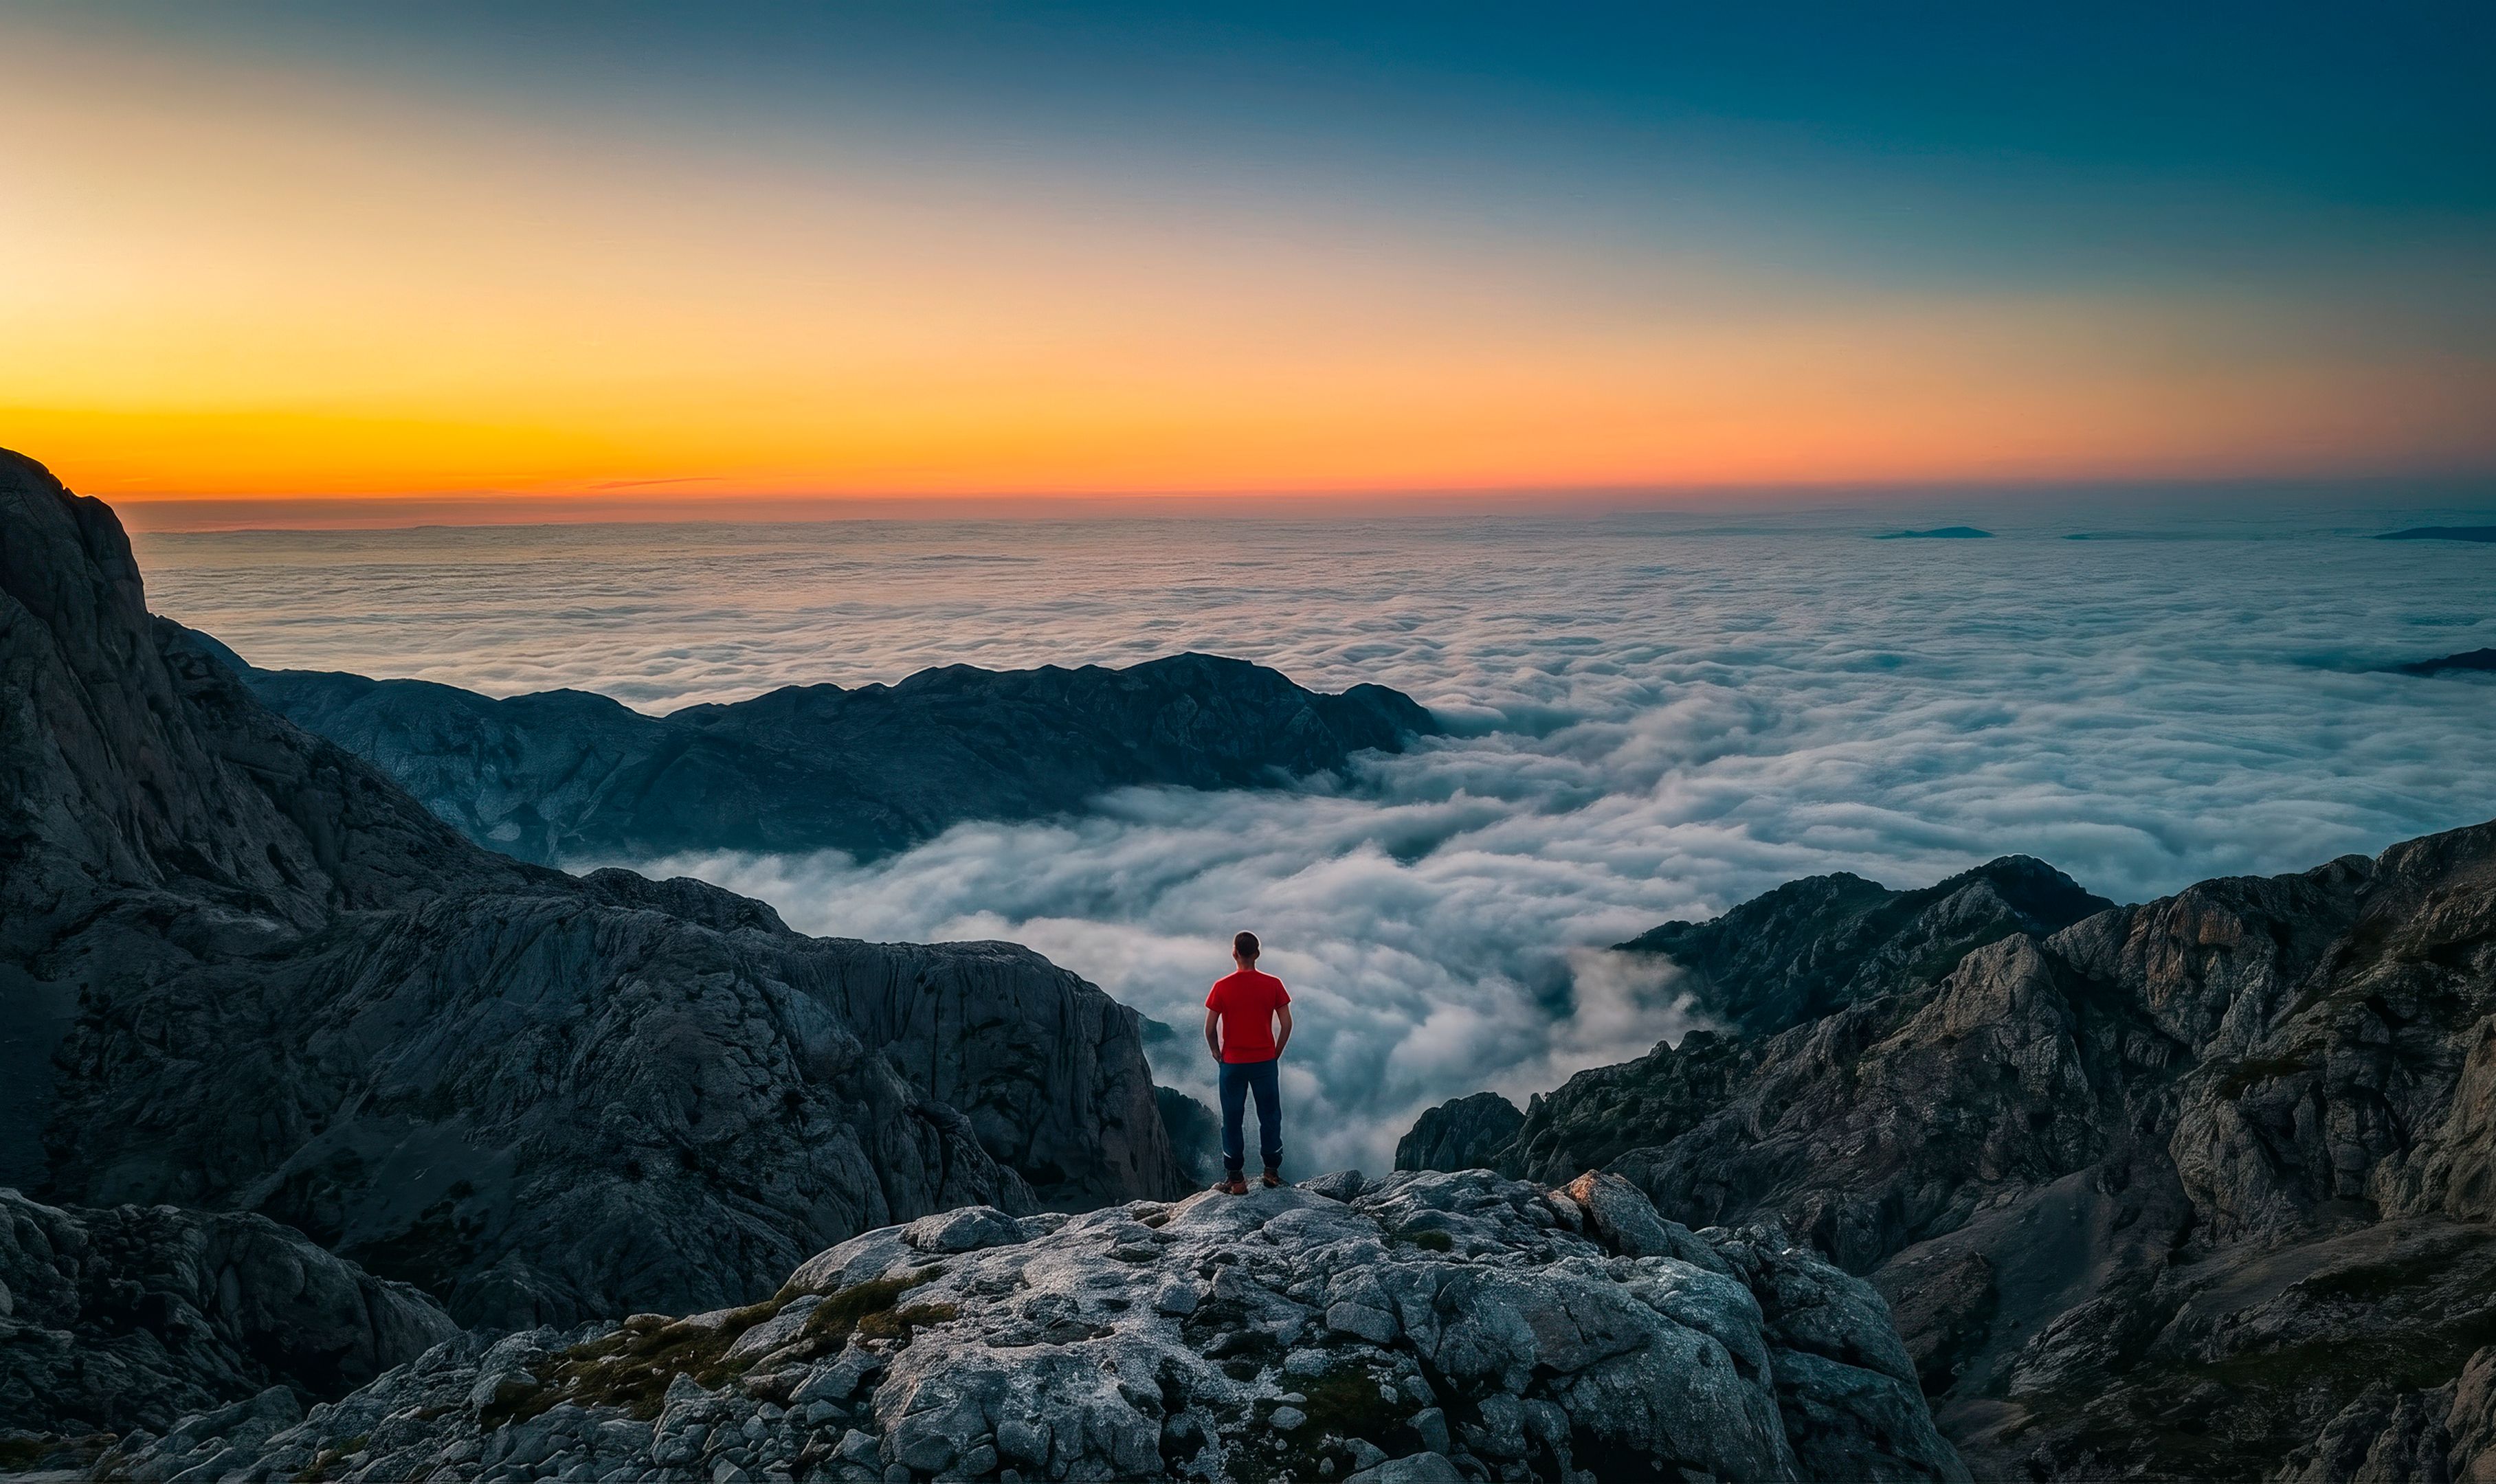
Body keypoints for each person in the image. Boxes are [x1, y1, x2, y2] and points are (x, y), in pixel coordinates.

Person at [1203, 930, 1291, 1195]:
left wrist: (1216, 1052)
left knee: (1232, 1119)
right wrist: (1276, 1051)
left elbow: (1209, 1028)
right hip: (1265, 1061)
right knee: (1270, 1116)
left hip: (1233, 1063)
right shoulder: (1274, 984)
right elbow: (1286, 1023)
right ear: (1258, 954)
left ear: (1234, 953)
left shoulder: (1221, 987)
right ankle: (1271, 1173)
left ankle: (1236, 1180)